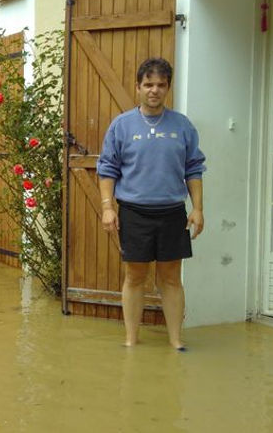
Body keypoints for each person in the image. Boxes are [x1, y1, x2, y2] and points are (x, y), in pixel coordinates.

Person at [96, 57, 205, 350]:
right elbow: (107, 169)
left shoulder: (182, 126)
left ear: (167, 88)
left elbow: (194, 168)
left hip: (172, 213)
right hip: (134, 213)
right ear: (138, 87)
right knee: (135, 276)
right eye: (148, 84)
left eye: (160, 85)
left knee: (171, 278)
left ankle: (176, 341)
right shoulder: (121, 125)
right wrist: (107, 207)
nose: (154, 90)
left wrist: (197, 208)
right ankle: (131, 340)